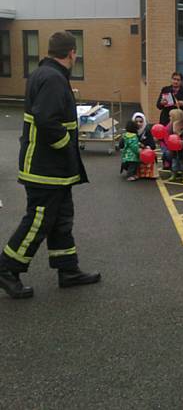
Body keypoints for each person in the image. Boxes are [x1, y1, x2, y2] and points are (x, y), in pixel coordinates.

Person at [0, 31, 100, 299]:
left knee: (60, 220)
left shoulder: (46, 74)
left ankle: (67, 270)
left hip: (53, 170)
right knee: (39, 220)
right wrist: (66, 146)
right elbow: (47, 121)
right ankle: (7, 268)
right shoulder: (54, 79)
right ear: (72, 53)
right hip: (46, 169)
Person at [132, 112, 156, 179]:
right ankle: (134, 173)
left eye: (141, 121)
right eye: (136, 122)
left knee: (151, 154)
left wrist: (147, 147)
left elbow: (153, 145)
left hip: (145, 151)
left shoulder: (147, 131)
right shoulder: (131, 130)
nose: (138, 123)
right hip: (135, 151)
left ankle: (149, 173)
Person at [166, 108, 183, 182]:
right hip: (173, 149)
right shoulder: (169, 126)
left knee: (182, 163)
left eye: (171, 116)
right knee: (174, 162)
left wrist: (177, 132)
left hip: (182, 149)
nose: (169, 118)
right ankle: (173, 174)